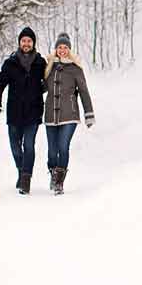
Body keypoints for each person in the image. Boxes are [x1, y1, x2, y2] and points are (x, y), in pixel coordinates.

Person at [0, 27, 47, 195]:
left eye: (29, 41)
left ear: (33, 43)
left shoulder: (40, 62)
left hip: (33, 111)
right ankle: (21, 170)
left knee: (29, 145)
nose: (26, 43)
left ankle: (26, 178)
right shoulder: (11, 63)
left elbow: (49, 82)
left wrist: (42, 90)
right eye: (23, 40)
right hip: (14, 112)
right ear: (19, 43)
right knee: (15, 147)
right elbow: (0, 82)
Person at [43, 33, 95, 195]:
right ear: (56, 49)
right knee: (52, 151)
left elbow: (84, 92)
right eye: (60, 47)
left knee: (63, 147)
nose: (63, 50)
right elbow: (41, 88)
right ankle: (53, 173)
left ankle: (59, 182)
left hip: (70, 114)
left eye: (65, 47)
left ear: (69, 49)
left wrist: (89, 114)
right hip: (51, 115)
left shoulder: (75, 69)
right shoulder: (49, 67)